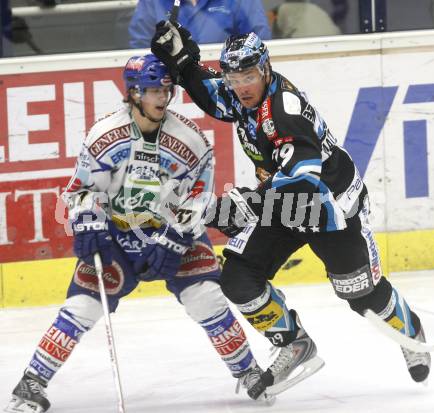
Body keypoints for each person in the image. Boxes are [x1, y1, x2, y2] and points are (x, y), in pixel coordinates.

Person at [150, 24, 432, 397]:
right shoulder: (243, 95)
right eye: (235, 78)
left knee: (360, 295)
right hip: (284, 206)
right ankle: (293, 342)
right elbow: (214, 94)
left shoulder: (283, 110)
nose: (241, 86)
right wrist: (184, 63)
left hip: (329, 208)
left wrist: (234, 207)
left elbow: (300, 182)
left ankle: (409, 329)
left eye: (248, 76)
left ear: (265, 69)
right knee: (238, 278)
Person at [5, 54, 273, 413]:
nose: (162, 97)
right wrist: (89, 221)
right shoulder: (104, 136)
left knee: (206, 297)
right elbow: (82, 189)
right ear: (133, 93)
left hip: (170, 229)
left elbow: (198, 197)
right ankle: (32, 381)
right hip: (118, 235)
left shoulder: (191, 141)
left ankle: (249, 371)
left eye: (166, 89)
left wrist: (177, 237)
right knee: (82, 306)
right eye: (151, 90)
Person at [128, 0, 271, 49]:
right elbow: (140, 48)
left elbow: (259, 42)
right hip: (169, 85)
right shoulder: (152, 2)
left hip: (230, 80)